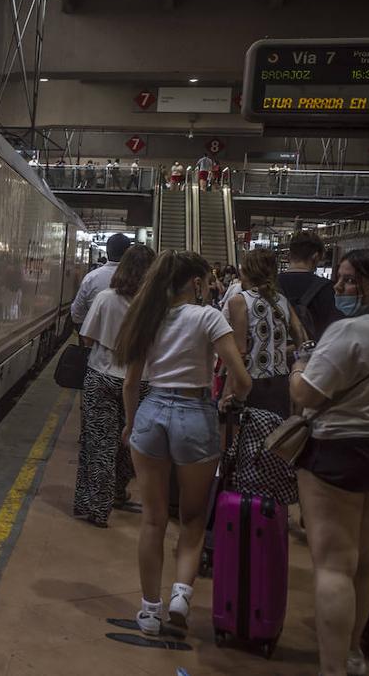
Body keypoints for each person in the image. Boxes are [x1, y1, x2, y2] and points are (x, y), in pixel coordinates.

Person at [115, 250, 252, 635]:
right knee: (191, 518)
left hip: (152, 412)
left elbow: (130, 383)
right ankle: (180, 596)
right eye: (207, 282)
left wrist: (130, 425)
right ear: (196, 283)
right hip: (195, 414)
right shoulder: (208, 317)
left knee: (153, 519)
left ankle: (148, 611)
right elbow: (241, 379)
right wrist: (231, 399)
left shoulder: (148, 317)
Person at [290, 245, 369, 676]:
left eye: (351, 279)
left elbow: (307, 394)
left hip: (341, 449)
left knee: (333, 566)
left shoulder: (352, 331)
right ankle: (352, 656)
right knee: (361, 561)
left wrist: (298, 367)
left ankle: (332, 670)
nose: (338, 286)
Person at [75, 244, 156, 527]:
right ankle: (118, 491)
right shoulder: (155, 307)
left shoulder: (106, 298)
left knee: (99, 445)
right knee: (130, 443)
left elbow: (86, 338)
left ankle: (97, 507)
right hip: (141, 382)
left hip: (102, 375)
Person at [223, 248, 303, 505]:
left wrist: (228, 392)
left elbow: (240, 351)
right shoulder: (282, 300)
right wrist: (279, 350)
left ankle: (246, 498)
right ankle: (271, 497)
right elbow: (302, 338)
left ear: (245, 271)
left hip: (251, 382)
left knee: (246, 443)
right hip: (280, 383)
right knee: (274, 444)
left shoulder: (239, 300)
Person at [278, 231, 339, 343]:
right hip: (311, 355)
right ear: (316, 257)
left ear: (288, 256)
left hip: (274, 355)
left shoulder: (269, 285)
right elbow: (333, 330)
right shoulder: (326, 288)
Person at [71, 233, 131, 325]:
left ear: (107, 251)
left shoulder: (91, 278)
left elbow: (76, 314)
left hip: (94, 335)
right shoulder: (137, 278)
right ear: (128, 252)